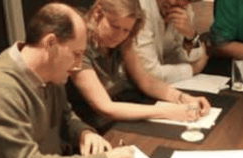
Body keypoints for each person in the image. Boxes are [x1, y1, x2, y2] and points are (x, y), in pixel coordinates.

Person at [0, 3, 134, 158]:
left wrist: (84, 133)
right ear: (51, 43)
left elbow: (65, 116)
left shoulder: (50, 72)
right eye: (76, 54)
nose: (78, 65)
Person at [68, 0, 212, 131]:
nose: (119, 36)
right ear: (97, 13)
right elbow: (105, 107)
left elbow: (146, 80)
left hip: (117, 116)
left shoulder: (124, 39)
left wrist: (182, 98)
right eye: (114, 26)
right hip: (88, 128)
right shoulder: (78, 44)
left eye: (126, 30)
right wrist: (169, 112)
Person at [134, 0, 210, 83]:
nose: (181, 3)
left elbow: (191, 59)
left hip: (166, 84)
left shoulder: (183, 9)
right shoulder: (140, 7)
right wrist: (193, 69)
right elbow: (147, 74)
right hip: (130, 86)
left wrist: (190, 35)